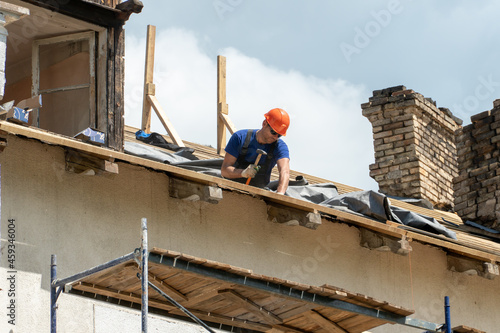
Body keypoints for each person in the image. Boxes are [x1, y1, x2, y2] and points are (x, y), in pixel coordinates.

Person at [221, 108, 290, 194]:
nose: (275, 137)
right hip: (230, 189)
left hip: (258, 194)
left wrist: (280, 193)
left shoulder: (279, 147)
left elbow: (285, 171)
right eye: (273, 132)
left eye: (279, 135)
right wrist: (243, 173)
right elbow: (224, 170)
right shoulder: (240, 137)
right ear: (264, 123)